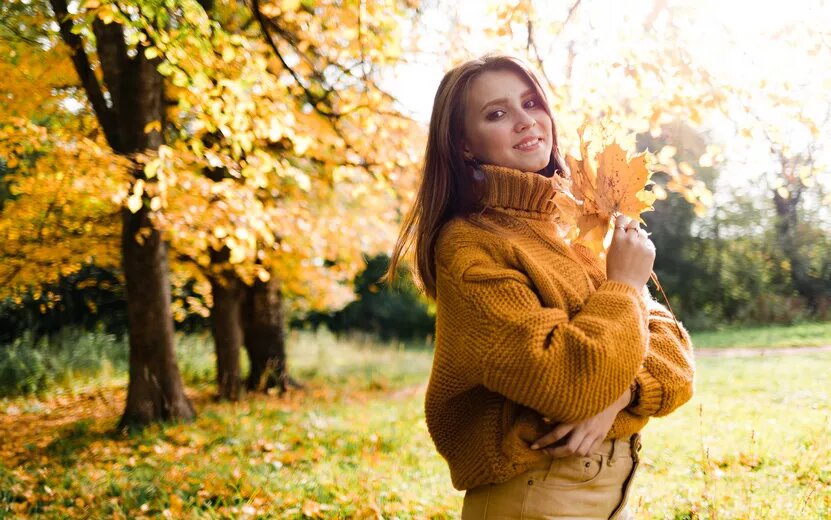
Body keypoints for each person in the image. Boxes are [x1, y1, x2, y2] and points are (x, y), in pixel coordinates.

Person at [387, 54, 695, 520]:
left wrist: (617, 396)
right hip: (536, 495)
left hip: (613, 496)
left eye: (531, 102)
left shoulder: (575, 229)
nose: (526, 121)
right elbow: (564, 381)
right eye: (497, 113)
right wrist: (626, 288)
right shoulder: (471, 244)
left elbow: (676, 359)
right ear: (465, 145)